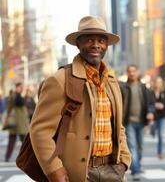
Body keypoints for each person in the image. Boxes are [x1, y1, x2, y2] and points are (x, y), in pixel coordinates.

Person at [30, 16, 131, 182]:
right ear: (78, 44)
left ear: (106, 46)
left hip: (113, 170)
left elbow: (118, 126)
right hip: (79, 174)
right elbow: (40, 131)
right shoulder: (60, 80)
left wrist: (125, 160)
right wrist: (55, 171)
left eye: (101, 40)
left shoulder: (112, 82)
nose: (95, 45)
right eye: (89, 40)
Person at [120, 64, 154, 181]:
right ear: (127, 73)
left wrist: (150, 112)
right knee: (132, 146)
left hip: (141, 121)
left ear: (137, 72)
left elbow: (150, 103)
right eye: (129, 71)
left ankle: (137, 165)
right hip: (128, 121)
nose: (132, 73)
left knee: (140, 147)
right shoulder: (123, 87)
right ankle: (136, 170)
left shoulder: (143, 87)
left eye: (134, 71)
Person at [5, 82, 29, 162]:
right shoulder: (14, 96)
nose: (22, 89)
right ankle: (8, 157)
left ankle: (8, 157)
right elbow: (18, 102)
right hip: (17, 122)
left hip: (18, 122)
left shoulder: (16, 95)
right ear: (17, 87)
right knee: (23, 141)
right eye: (20, 87)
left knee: (19, 141)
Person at [150, 77, 165, 159]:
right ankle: (152, 130)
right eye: (156, 82)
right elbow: (148, 103)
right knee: (153, 131)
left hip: (162, 116)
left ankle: (160, 152)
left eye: (159, 82)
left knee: (160, 135)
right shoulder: (150, 92)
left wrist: (163, 106)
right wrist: (154, 105)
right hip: (153, 116)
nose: (158, 84)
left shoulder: (164, 92)